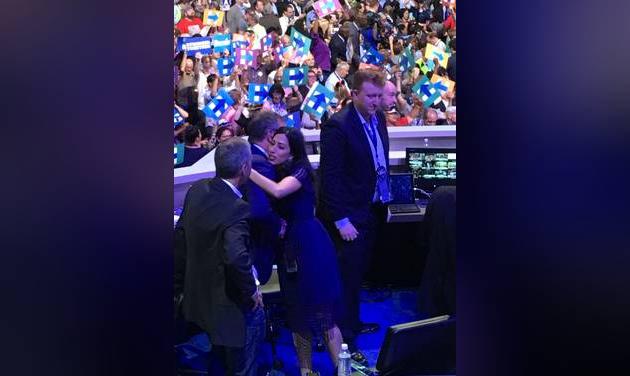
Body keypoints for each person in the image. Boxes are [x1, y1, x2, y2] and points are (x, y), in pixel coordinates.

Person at [249, 127, 343, 376]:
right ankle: (306, 371)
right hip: (289, 247)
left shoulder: (301, 169)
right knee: (297, 313)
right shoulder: (274, 169)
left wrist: (246, 169)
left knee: (323, 313)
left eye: (281, 146)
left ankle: (341, 370)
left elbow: (279, 191)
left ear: (293, 151)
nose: (273, 150)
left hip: (311, 245)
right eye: (272, 144)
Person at [318, 69, 390, 365]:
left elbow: (377, 162)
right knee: (345, 281)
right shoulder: (338, 127)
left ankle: (354, 324)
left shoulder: (379, 118)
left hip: (371, 210)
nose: (376, 102)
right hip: (348, 218)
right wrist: (341, 220)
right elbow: (330, 180)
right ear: (354, 94)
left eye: (378, 96)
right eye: (370, 96)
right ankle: (346, 341)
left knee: (357, 276)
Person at [175, 138, 265, 376]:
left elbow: (179, 239)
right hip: (228, 306)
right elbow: (236, 258)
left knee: (216, 362)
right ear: (245, 168)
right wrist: (251, 291)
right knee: (244, 361)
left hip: (197, 298)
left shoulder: (197, 190)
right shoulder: (237, 208)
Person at [243, 111, 283, 285]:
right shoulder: (260, 163)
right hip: (257, 243)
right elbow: (260, 210)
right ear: (270, 135)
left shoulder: (247, 154)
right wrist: (279, 224)